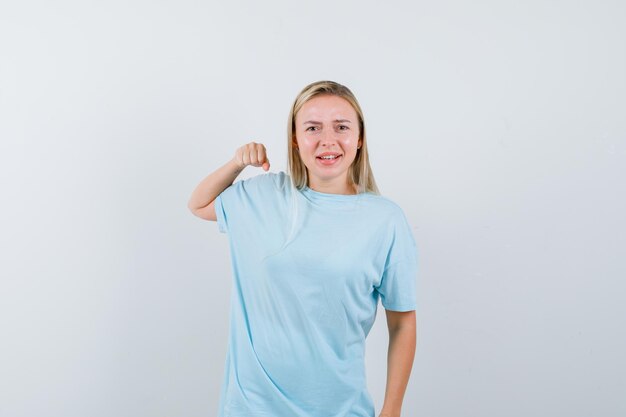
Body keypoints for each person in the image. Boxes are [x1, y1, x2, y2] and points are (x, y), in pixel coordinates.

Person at [187, 80, 418, 417]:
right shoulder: (262, 196)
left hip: (341, 409)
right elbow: (198, 204)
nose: (328, 140)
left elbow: (402, 323)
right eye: (313, 128)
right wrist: (237, 163)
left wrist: (392, 410)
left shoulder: (386, 220)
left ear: (359, 138)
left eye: (341, 127)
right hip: (252, 408)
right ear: (295, 139)